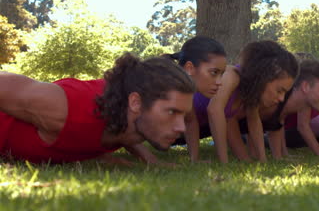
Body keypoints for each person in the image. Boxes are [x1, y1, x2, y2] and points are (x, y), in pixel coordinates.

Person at [0, 53, 195, 164]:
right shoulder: (67, 109)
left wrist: (149, 158)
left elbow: (127, 129)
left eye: (183, 115)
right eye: (172, 112)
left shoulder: (128, 116)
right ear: (136, 102)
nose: (181, 128)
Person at [207, 40, 298, 163]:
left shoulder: (252, 91)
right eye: (279, 90)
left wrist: (262, 159)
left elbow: (254, 121)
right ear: (264, 77)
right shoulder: (231, 75)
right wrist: (224, 161)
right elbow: (214, 110)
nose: (282, 99)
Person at [164, 37, 227, 162]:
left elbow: (190, 121)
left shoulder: (186, 91)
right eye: (214, 73)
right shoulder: (164, 87)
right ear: (189, 68)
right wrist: (150, 159)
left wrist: (195, 159)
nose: (220, 82)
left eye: (222, 74)